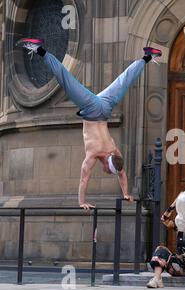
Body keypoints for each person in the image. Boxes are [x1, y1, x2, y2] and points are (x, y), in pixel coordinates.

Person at [16, 38, 162, 210]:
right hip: (92, 109)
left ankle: (146, 57)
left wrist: (125, 193)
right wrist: (81, 202)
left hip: (105, 109)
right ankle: (39, 49)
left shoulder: (115, 151)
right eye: (108, 170)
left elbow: (122, 174)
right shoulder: (93, 154)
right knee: (66, 79)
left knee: (124, 81)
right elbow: (84, 179)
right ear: (108, 163)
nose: (106, 171)